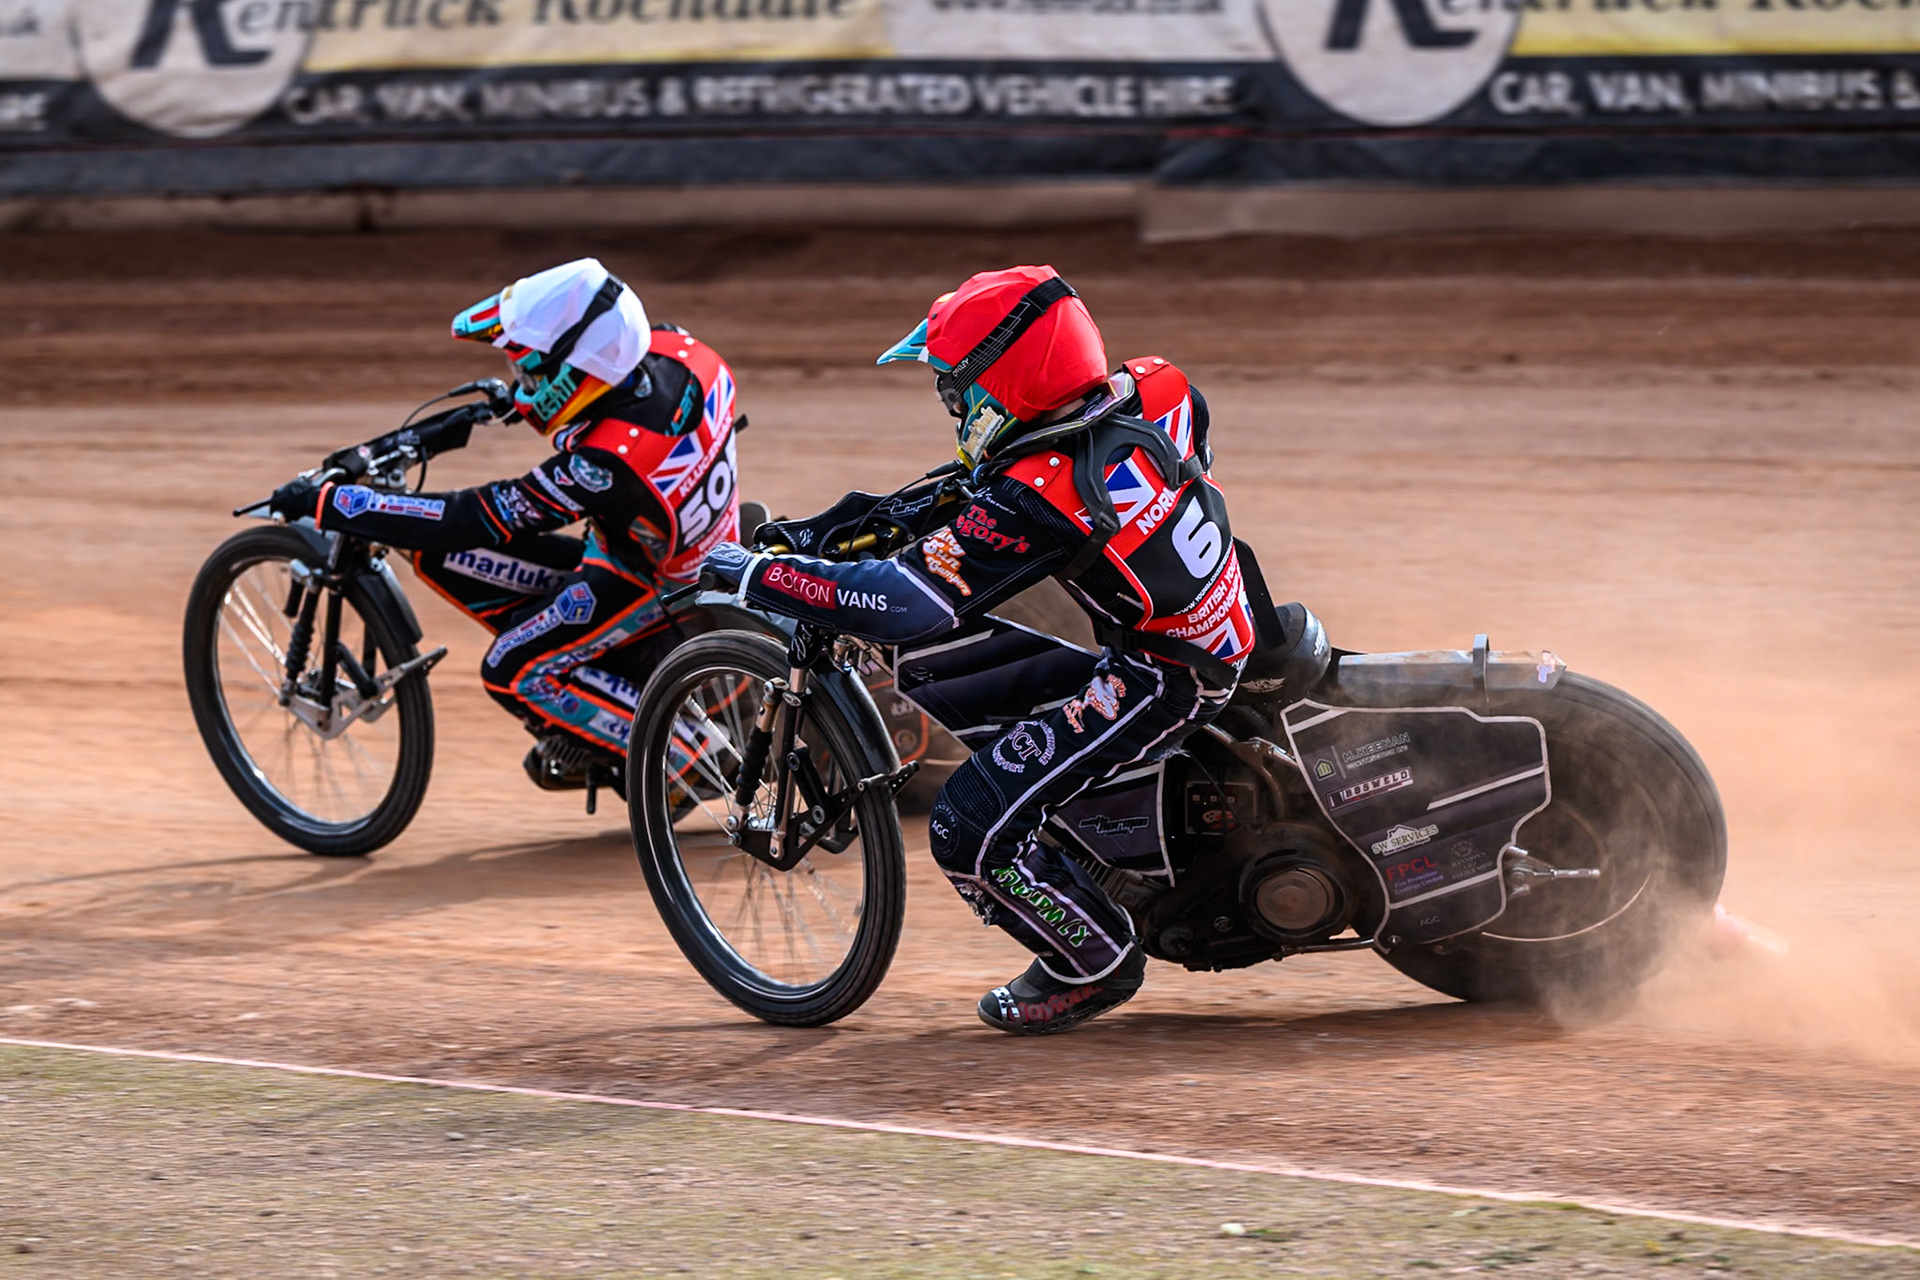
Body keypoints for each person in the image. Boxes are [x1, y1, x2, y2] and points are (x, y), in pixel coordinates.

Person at [702, 265, 1256, 1035]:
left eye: (957, 389)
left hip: (1162, 674)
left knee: (968, 829)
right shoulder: (1154, 388)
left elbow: (903, 606)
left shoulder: (1041, 493)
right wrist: (828, 534)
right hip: (1226, 613)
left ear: (1007, 382)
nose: (952, 404)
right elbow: (972, 487)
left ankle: (1093, 963)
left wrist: (765, 575)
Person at [269, 257, 744, 794]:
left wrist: (336, 504)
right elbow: (612, 398)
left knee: (514, 670)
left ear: (575, 374)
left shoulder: (603, 466)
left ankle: (697, 759)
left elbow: (473, 519)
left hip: (652, 586)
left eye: (529, 374)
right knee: (511, 589)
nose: (522, 386)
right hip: (685, 547)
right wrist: (508, 404)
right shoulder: (682, 352)